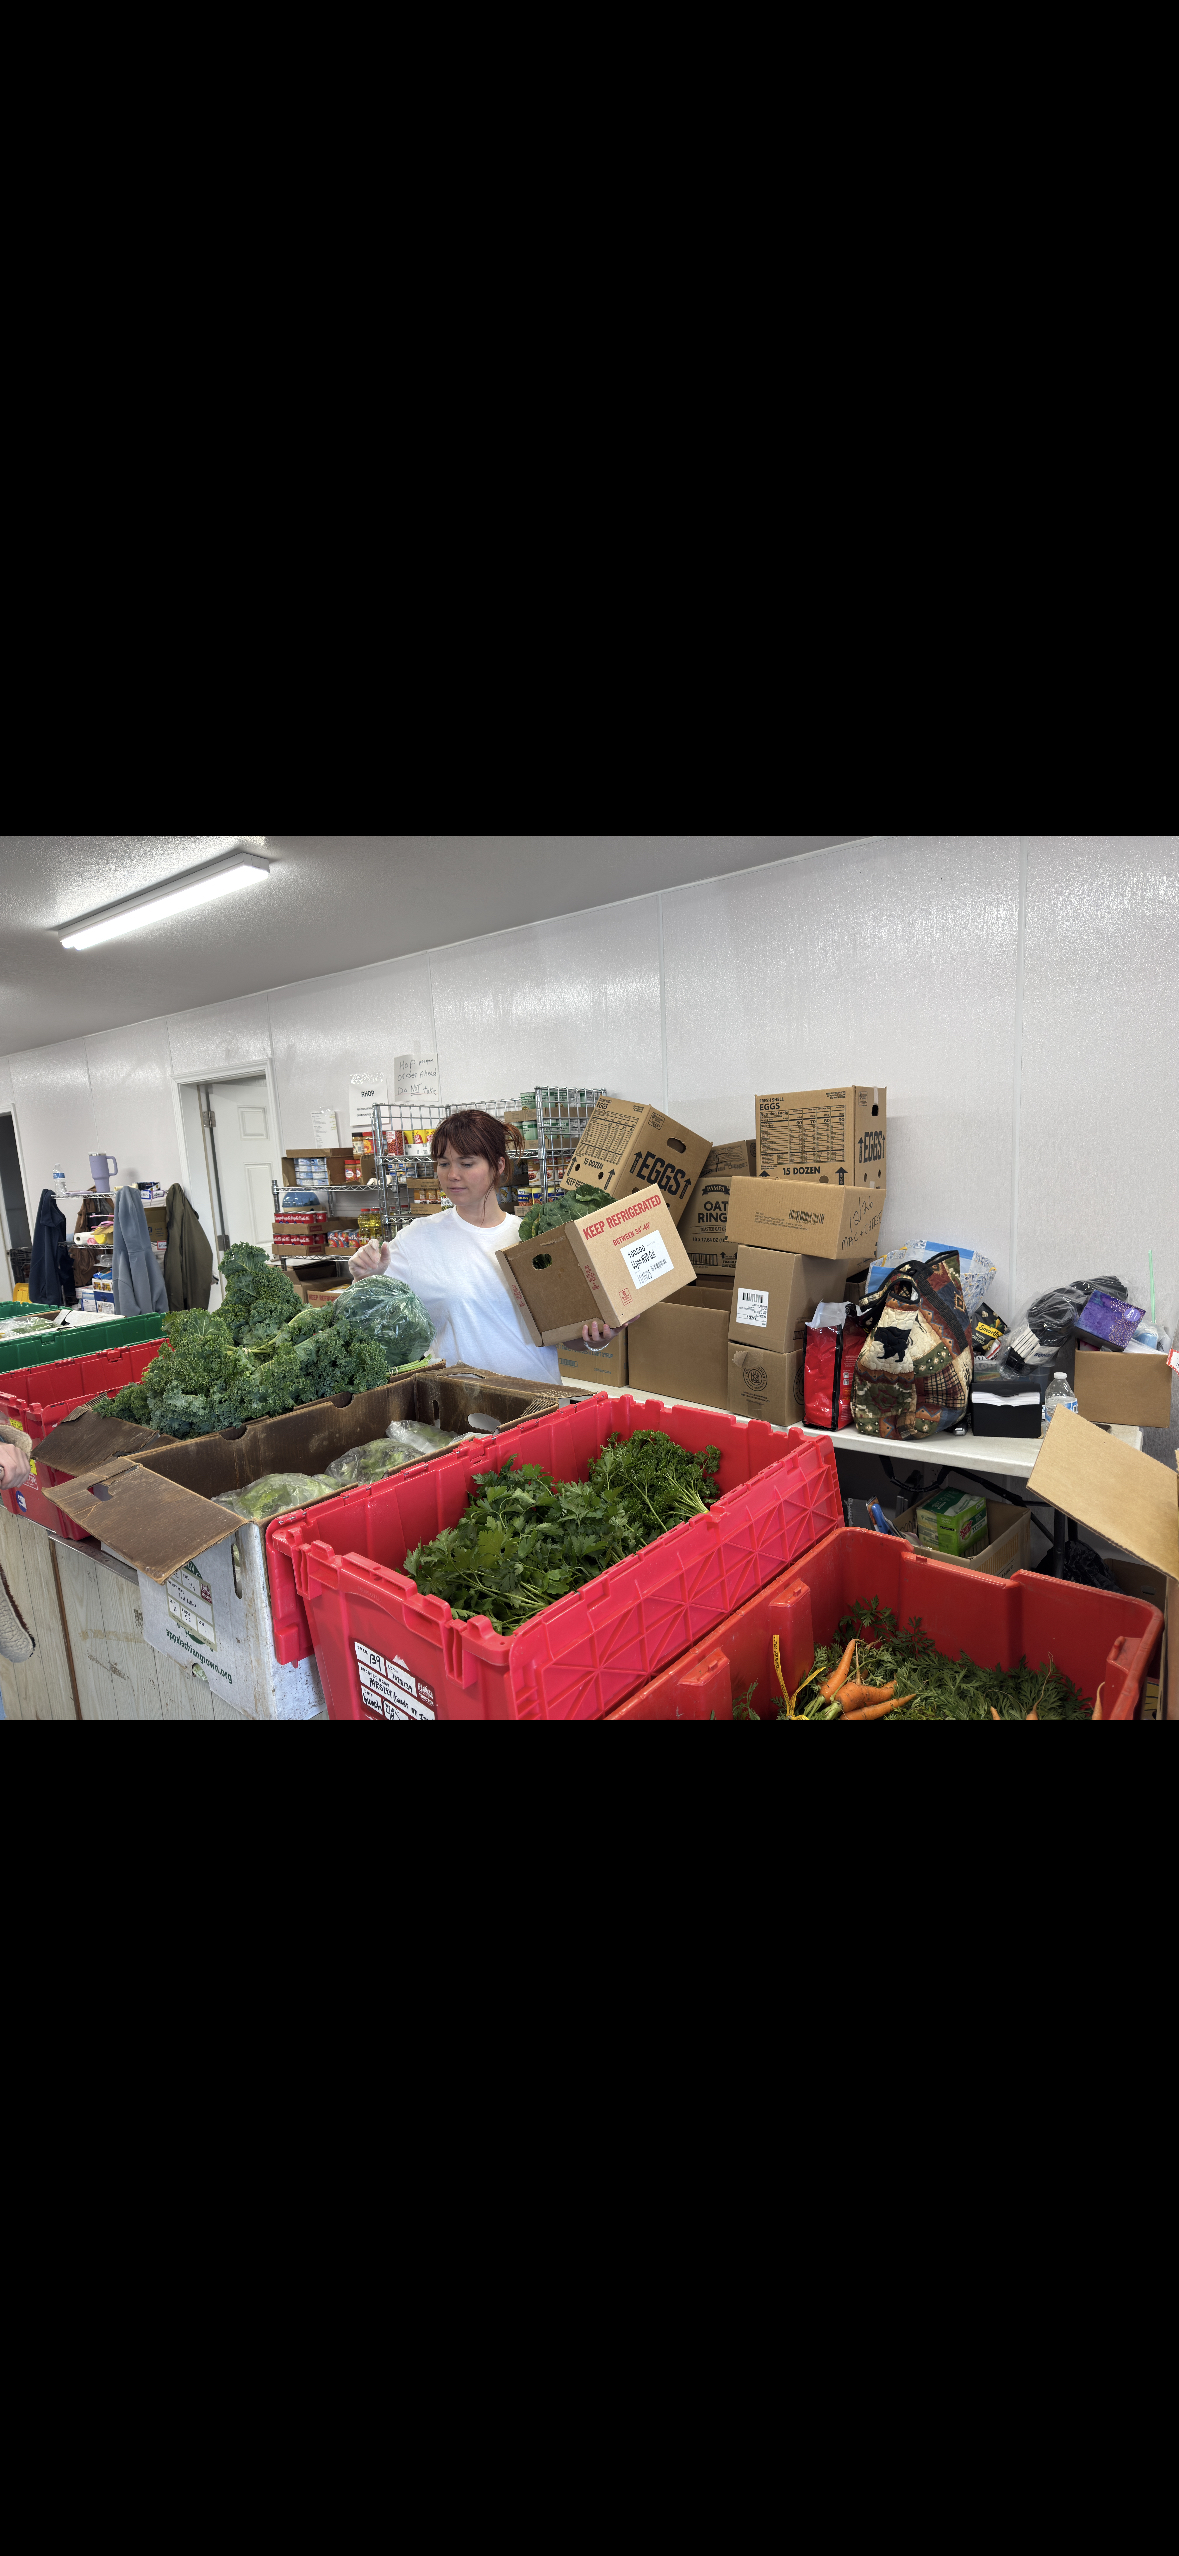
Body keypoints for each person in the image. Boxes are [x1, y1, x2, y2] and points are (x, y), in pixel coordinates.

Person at [348, 1109, 618, 1387]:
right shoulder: (417, 1239)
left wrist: (597, 1338)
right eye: (443, 1163)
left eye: (466, 1163)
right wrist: (365, 1278)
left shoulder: (531, 1237)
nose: (452, 1175)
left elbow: (567, 1337)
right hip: (461, 1401)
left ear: (498, 1165)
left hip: (538, 1397)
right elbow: (370, 1320)